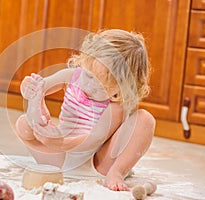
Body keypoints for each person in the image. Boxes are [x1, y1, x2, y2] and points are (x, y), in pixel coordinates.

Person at [15, 29, 156, 191]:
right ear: (84, 62)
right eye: (88, 76)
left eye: (101, 87)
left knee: (145, 119)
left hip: (95, 164)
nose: (89, 87)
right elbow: (41, 87)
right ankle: (54, 157)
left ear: (123, 89)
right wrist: (29, 89)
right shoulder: (73, 76)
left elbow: (94, 139)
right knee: (23, 124)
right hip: (60, 160)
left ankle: (116, 172)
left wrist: (61, 143)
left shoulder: (117, 106)